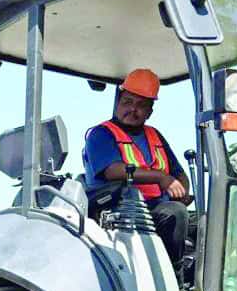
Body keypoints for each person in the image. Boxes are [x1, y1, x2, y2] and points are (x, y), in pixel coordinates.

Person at [82, 68, 194, 273]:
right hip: (122, 210)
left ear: (150, 111)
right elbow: (111, 171)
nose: (133, 110)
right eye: (128, 102)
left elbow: (178, 173)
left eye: (141, 105)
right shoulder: (101, 134)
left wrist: (181, 191)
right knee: (175, 214)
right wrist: (161, 178)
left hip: (157, 208)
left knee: (206, 225)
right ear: (118, 102)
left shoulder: (155, 135)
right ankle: (174, 278)